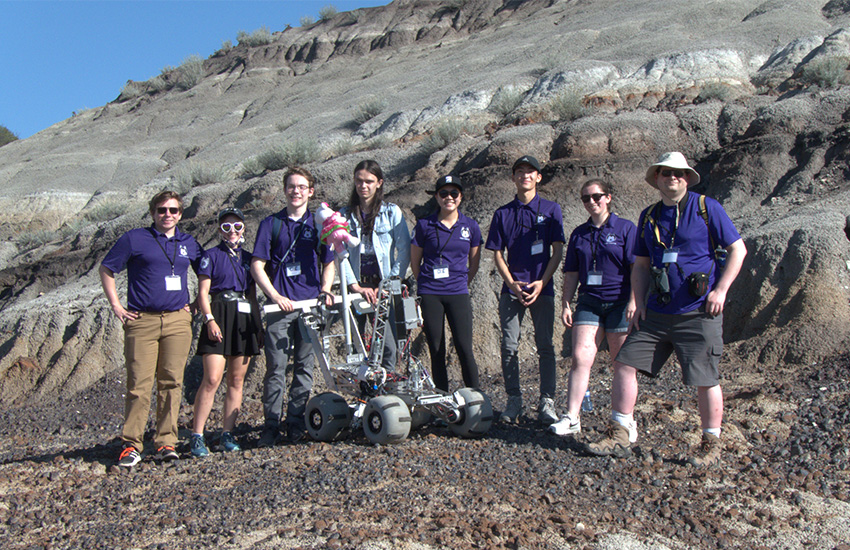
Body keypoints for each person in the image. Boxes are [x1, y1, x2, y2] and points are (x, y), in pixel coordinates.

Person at [586, 152, 747, 467]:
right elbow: (641, 265)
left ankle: (710, 442)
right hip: (657, 313)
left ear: (687, 178)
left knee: (705, 378)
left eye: (679, 173)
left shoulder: (706, 208)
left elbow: (737, 249)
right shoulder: (648, 216)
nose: (673, 178)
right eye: (666, 173)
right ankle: (620, 433)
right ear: (657, 179)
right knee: (625, 363)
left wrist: (721, 290)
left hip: (699, 311)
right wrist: (638, 300)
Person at [99, 190, 202, 467]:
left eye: (173, 210)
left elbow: (206, 271)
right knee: (139, 385)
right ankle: (131, 444)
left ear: (180, 214)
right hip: (141, 321)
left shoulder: (188, 242)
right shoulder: (135, 239)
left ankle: (166, 442)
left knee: (172, 382)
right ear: (152, 212)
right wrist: (117, 307)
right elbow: (107, 269)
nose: (167, 215)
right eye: (161, 210)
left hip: (178, 322)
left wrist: (196, 304)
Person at [251, 168, 335, 447]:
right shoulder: (270, 224)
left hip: (309, 306)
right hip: (279, 309)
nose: (296, 191)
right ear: (284, 190)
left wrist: (325, 290)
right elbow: (257, 266)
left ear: (310, 191)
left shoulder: (319, 224)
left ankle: (296, 422)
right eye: (291, 186)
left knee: (304, 366)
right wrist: (274, 296)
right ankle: (271, 425)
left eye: (301, 187)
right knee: (275, 368)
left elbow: (329, 261)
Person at [549, 180, 637, 436]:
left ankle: (624, 421)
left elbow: (636, 269)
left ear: (608, 197)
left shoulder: (625, 229)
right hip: (589, 301)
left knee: (622, 363)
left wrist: (634, 300)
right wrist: (566, 303)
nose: (592, 202)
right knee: (580, 357)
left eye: (596, 196)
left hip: (620, 301)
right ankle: (572, 417)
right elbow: (572, 272)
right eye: (586, 198)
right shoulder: (579, 233)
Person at [485, 155, 565, 425]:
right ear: (513, 177)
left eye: (530, 172)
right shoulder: (502, 213)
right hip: (512, 290)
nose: (525, 176)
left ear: (538, 177)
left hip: (543, 287)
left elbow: (557, 251)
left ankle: (547, 402)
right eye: (519, 172)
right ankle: (514, 400)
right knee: (509, 346)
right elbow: (496, 253)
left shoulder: (552, 210)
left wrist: (542, 281)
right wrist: (511, 284)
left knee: (545, 346)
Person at [190, 207, 262, 457]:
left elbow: (252, 295)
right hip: (219, 314)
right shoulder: (210, 256)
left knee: (236, 380)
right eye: (226, 226)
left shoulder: (250, 259)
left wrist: (257, 324)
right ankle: (197, 436)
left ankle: (227, 434)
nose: (232, 231)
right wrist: (209, 320)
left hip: (243, 318)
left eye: (237, 226)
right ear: (220, 230)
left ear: (244, 228)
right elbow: (202, 292)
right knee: (211, 379)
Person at [410, 175, 482, 391]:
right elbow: (415, 262)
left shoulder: (470, 226)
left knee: (463, 347)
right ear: (436, 197)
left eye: (454, 193)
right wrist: (426, 284)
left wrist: (460, 282)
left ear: (461, 197)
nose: (448, 198)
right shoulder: (424, 225)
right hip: (431, 293)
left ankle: (476, 398)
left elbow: (474, 263)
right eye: (443, 193)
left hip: (458, 292)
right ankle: (441, 397)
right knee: (436, 348)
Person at [339, 159, 411, 369]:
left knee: (388, 345)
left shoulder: (391, 212)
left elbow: (404, 250)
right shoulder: (343, 215)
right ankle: (362, 390)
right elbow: (338, 253)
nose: (364, 186)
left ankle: (387, 387)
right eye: (359, 181)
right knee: (355, 344)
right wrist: (354, 285)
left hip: (383, 288)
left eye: (369, 181)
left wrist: (388, 283)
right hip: (355, 287)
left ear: (379, 183)